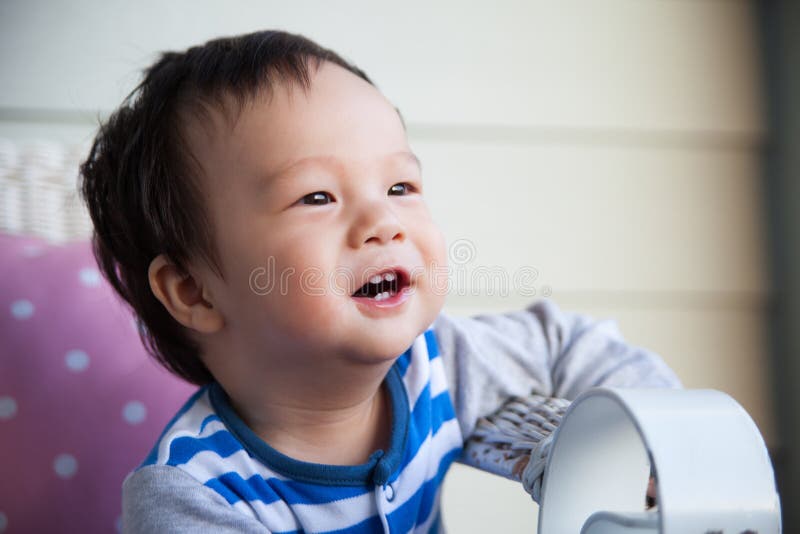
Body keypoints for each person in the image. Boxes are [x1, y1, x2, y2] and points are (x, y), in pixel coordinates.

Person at [80, 30, 680, 533]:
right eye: (317, 197)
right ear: (195, 291)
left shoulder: (438, 366)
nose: (383, 222)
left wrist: (658, 437)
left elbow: (568, 344)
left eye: (400, 188)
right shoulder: (193, 494)